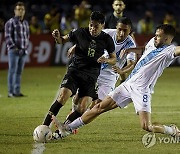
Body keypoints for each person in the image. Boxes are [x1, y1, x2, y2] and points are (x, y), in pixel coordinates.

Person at [52, 24, 180, 139]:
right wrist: (131, 50)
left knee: (147, 126)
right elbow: (145, 49)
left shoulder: (169, 51)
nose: (155, 37)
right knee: (98, 107)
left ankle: (171, 130)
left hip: (142, 90)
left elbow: (177, 50)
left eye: (159, 36)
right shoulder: (153, 42)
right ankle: (67, 129)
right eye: (156, 35)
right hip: (128, 84)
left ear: (167, 39)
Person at [42, 11, 116, 129]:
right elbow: (62, 40)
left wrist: (107, 60)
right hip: (75, 71)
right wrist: (57, 37)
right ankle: (44, 126)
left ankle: (64, 127)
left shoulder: (106, 39)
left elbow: (114, 59)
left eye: (96, 26)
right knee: (62, 96)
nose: (92, 28)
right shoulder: (80, 32)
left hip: (91, 76)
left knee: (82, 108)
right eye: (91, 25)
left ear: (102, 25)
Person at [5, 1, 29, 97]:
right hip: (14, 51)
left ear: (24, 11)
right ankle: (11, 92)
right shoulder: (10, 22)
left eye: (22, 9)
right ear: (15, 11)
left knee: (19, 72)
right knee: (12, 71)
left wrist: (25, 47)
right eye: (18, 9)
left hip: (23, 51)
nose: (20, 11)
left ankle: (17, 91)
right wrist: (14, 48)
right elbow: (8, 37)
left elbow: (27, 37)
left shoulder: (26, 23)